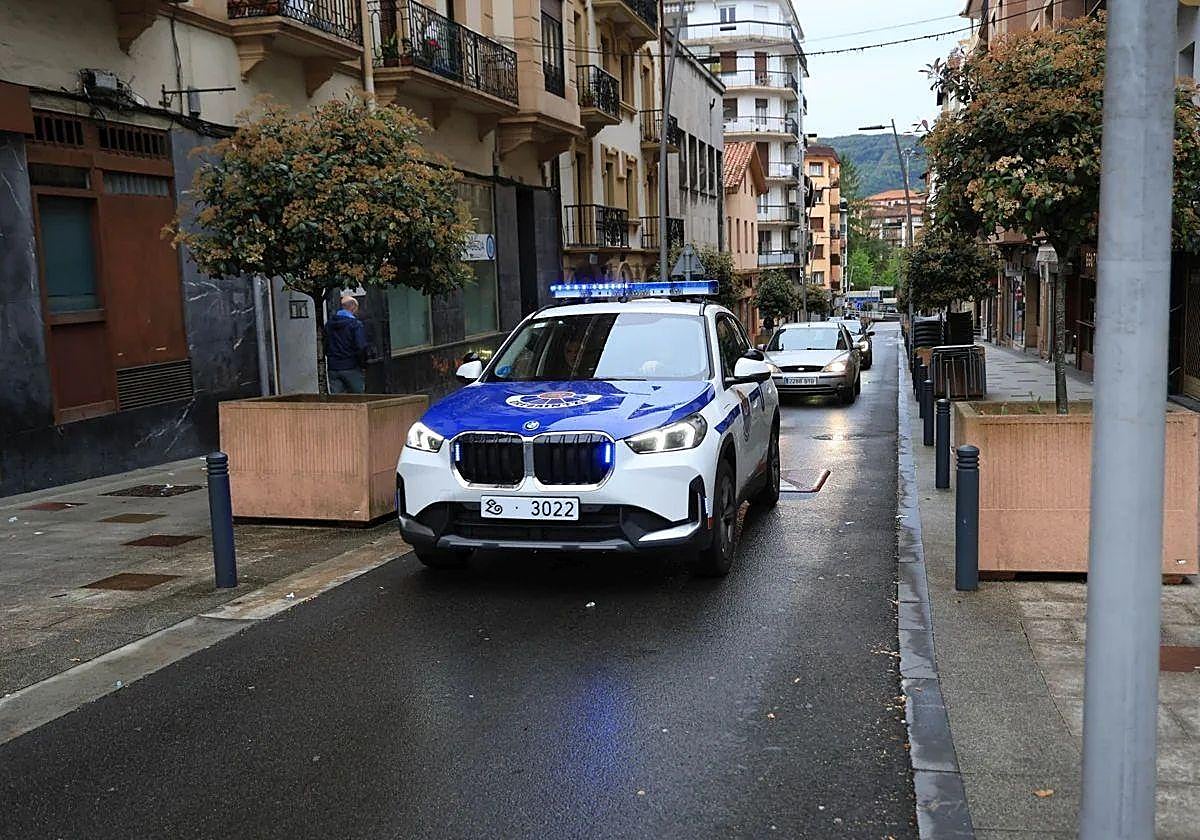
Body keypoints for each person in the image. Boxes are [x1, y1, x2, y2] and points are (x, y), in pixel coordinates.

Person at [325, 295, 368, 394]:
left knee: (338, 400)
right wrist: (363, 364)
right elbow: (361, 346)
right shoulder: (355, 325)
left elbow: (325, 344)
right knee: (359, 398)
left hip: (333, 367)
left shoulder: (329, 324)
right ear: (353, 307)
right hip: (351, 366)